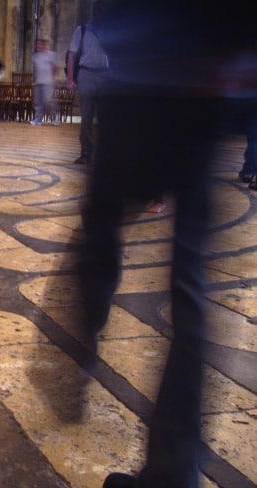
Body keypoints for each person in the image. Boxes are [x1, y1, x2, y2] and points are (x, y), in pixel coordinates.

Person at [73, 1, 255, 487]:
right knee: (188, 281)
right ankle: (174, 471)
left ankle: (83, 339)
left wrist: (122, 39)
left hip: (139, 83)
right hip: (201, 89)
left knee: (101, 225)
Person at [66, 2, 108, 164]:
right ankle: (86, 153)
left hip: (105, 75)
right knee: (87, 117)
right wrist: (70, 79)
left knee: (106, 117)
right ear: (95, 13)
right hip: (86, 74)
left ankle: (104, 153)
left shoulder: (109, 31)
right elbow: (72, 55)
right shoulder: (82, 30)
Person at [30, 38, 58, 126]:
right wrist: (34, 80)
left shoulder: (51, 55)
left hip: (47, 82)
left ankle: (54, 119)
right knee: (37, 102)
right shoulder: (35, 56)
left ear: (44, 45)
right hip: (38, 82)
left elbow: (54, 67)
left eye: (39, 44)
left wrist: (52, 78)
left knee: (48, 101)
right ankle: (38, 119)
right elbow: (35, 69)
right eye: (37, 44)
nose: (38, 46)